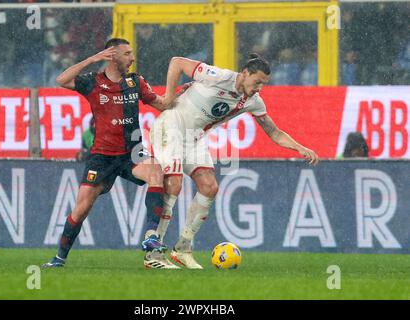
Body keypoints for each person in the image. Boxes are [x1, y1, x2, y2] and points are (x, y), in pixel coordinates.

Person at [150, 54, 319, 269]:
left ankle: (182, 248)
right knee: (174, 184)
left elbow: (274, 133)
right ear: (245, 73)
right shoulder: (218, 76)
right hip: (171, 126)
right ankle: (155, 252)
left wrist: (300, 148)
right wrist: (168, 97)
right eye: (257, 82)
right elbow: (176, 62)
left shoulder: (253, 101)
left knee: (209, 187)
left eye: (264, 84)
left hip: (194, 137)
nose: (260, 88)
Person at [42, 38, 181, 269]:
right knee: (81, 209)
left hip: (132, 152)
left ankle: (150, 235)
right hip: (102, 156)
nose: (132, 58)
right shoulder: (93, 82)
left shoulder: (135, 82)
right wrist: (92, 59)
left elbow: (162, 104)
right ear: (112, 56)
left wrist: (181, 93)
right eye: (127, 54)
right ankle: (59, 257)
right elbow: (61, 80)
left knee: (156, 172)